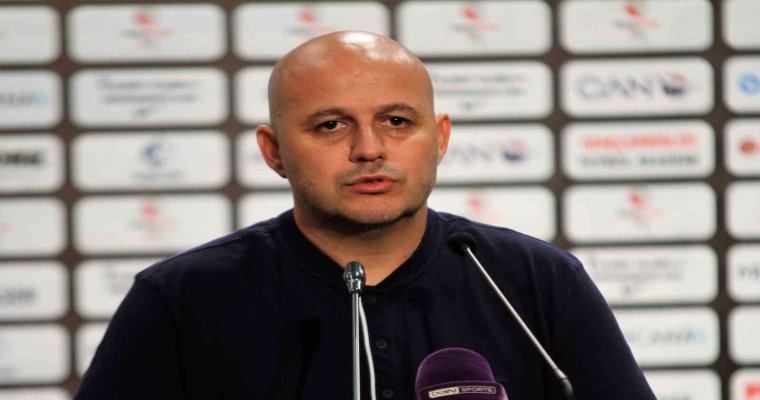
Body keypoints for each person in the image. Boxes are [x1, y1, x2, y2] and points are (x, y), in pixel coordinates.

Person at [75, 31, 655, 400]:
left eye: (397, 122)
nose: (369, 149)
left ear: (440, 137)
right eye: (331, 125)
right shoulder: (181, 299)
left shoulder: (534, 280)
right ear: (274, 151)